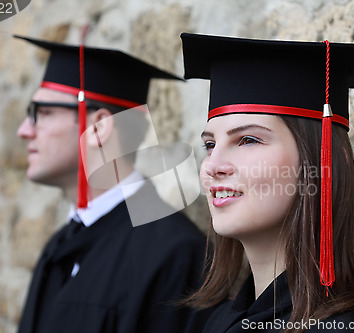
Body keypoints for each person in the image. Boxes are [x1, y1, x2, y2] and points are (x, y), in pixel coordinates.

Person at [180, 32, 354, 332]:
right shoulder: (222, 319)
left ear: (323, 165)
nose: (212, 166)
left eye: (248, 140)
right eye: (209, 145)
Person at [15, 35, 210, 333]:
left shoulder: (174, 253)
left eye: (42, 113)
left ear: (99, 127)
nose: (23, 130)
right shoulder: (60, 245)